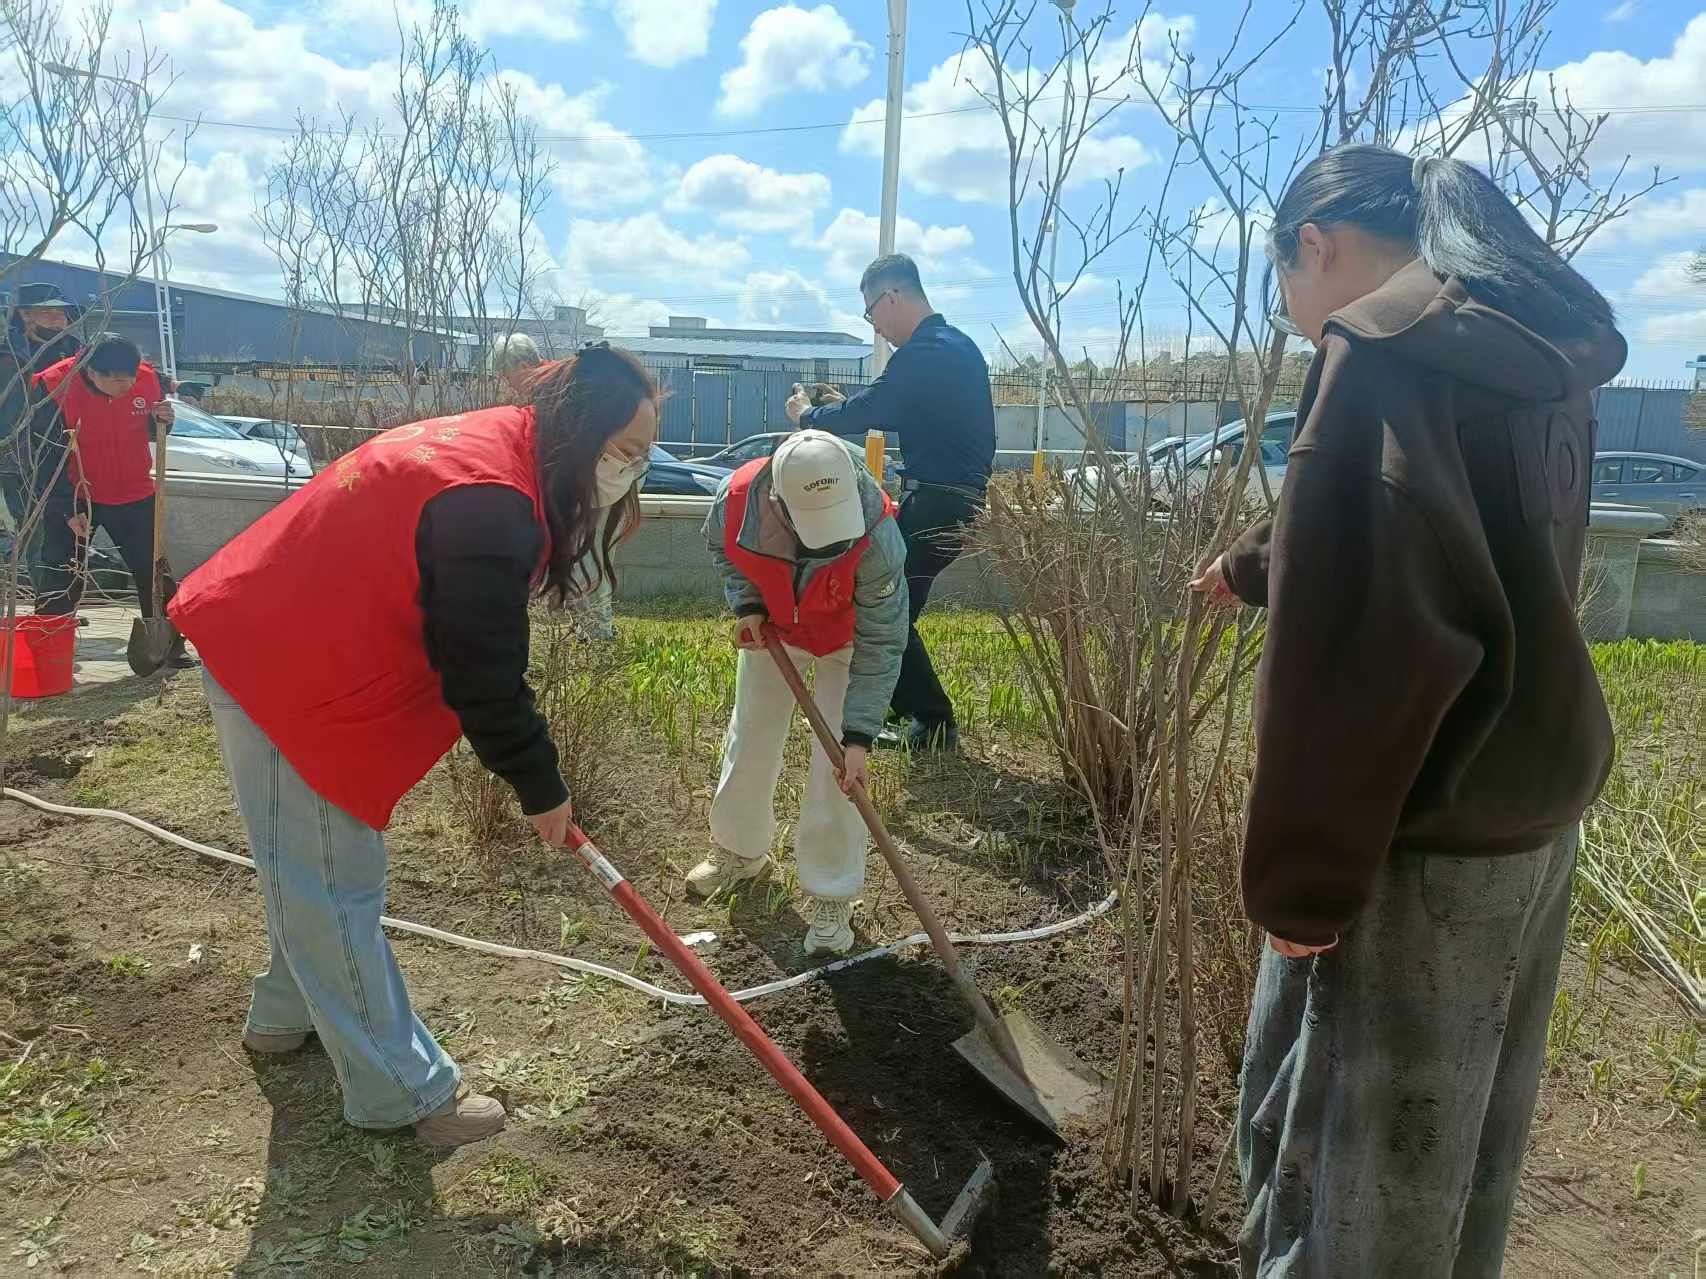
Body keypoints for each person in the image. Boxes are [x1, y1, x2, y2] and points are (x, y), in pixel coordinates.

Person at [1190, 144, 1627, 1277]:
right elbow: (1446, 539)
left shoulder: (1379, 347)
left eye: (1281, 280)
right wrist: (1250, 564)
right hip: (1526, 813)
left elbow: (1367, 644)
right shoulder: (1526, 346)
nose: (1291, 316)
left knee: (1340, 1195)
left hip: (1412, 841)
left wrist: (1299, 883)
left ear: (1314, 245)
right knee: (1459, 1169)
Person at [168, 344, 658, 1146]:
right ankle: (404, 1092)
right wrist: (542, 785)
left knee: (306, 867)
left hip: (275, 632)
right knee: (333, 881)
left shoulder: (503, 445)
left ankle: (283, 1016)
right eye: (626, 450)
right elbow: (484, 675)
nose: (633, 471)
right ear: (580, 433)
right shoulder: (491, 499)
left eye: (645, 452)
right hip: (289, 668)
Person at [689, 429, 908, 957]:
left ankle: (832, 895)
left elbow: (882, 642)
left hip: (847, 639)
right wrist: (747, 605)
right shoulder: (737, 500)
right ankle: (741, 853)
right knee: (752, 737)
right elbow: (723, 552)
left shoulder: (877, 534)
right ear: (777, 503)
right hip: (775, 631)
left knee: (837, 767)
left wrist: (858, 738)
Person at [786, 254, 994, 753]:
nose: (875, 326)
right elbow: (905, 409)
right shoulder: (954, 347)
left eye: (871, 312)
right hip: (951, 501)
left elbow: (875, 407)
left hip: (938, 504)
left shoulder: (925, 352)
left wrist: (808, 416)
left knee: (882, 609)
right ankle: (916, 715)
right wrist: (842, 405)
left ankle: (932, 720)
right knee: (889, 607)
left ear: (893, 298)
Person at [33, 334, 192, 665]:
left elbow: (150, 429)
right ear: (91, 372)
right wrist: (65, 509)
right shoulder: (53, 387)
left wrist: (162, 421)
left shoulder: (145, 379)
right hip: (77, 494)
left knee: (154, 569)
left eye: (131, 377)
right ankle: (48, 648)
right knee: (61, 570)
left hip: (134, 492)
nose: (128, 385)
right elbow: (44, 455)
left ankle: (167, 645)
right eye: (118, 380)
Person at [0, 283, 83, 579]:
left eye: (60, 312)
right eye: (46, 312)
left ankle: (54, 606)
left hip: (64, 453)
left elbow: (116, 368)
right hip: (17, 457)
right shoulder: (8, 355)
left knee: (61, 530)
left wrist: (170, 386)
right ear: (25, 315)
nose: (57, 318)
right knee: (37, 529)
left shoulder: (73, 350)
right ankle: (46, 608)